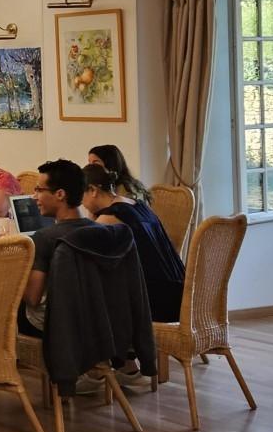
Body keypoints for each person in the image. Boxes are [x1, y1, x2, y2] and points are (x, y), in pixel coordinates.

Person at [83, 164, 183, 324]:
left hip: (157, 303)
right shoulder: (138, 205)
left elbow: (84, 247)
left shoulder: (111, 217)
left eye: (82, 195)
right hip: (179, 292)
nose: (82, 203)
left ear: (93, 190)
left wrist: (91, 215)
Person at [21, 159, 94, 337]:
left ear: (60, 194)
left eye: (39, 190)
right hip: (94, 321)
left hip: (54, 326)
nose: (34, 197)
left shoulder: (45, 238)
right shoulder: (99, 230)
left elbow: (33, 298)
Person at [88, 144, 152, 204]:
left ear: (110, 164)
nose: (89, 167)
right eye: (89, 163)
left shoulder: (125, 189)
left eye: (95, 162)